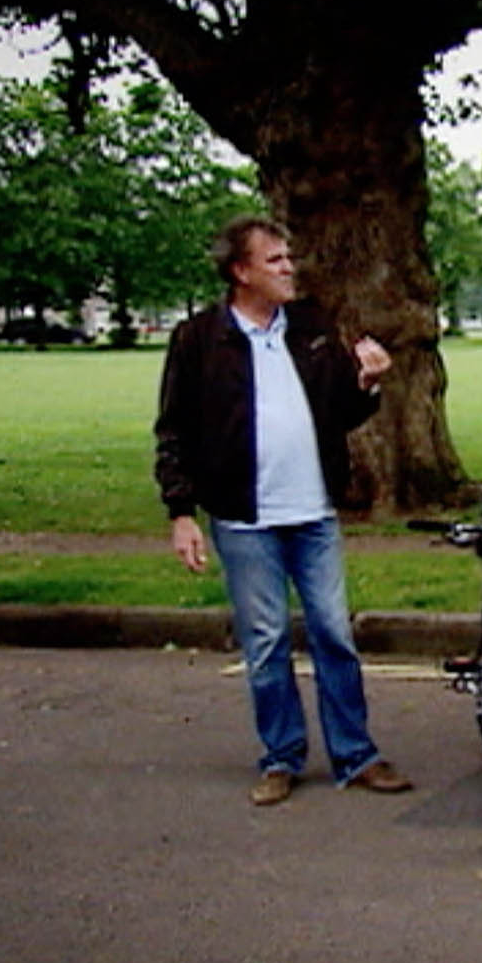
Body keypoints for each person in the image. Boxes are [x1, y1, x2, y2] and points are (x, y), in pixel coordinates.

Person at [155, 215, 413, 805]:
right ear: (240, 271)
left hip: (313, 512)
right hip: (244, 518)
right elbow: (174, 430)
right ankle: (281, 757)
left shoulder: (311, 329)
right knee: (266, 640)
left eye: (288, 258)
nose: (288, 268)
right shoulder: (198, 340)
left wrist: (368, 383)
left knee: (333, 633)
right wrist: (181, 511)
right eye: (274, 260)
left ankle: (356, 755)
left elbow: (341, 413)